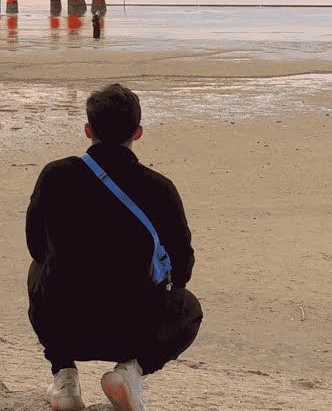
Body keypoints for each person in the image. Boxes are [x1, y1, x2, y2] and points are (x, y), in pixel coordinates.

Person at [26, 83, 201, 411]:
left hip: (66, 322)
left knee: (38, 270)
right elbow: (183, 269)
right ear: (138, 132)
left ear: (88, 130)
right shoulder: (159, 189)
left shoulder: (54, 177)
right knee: (187, 306)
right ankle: (131, 372)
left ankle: (64, 377)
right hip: (132, 329)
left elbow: (35, 246)